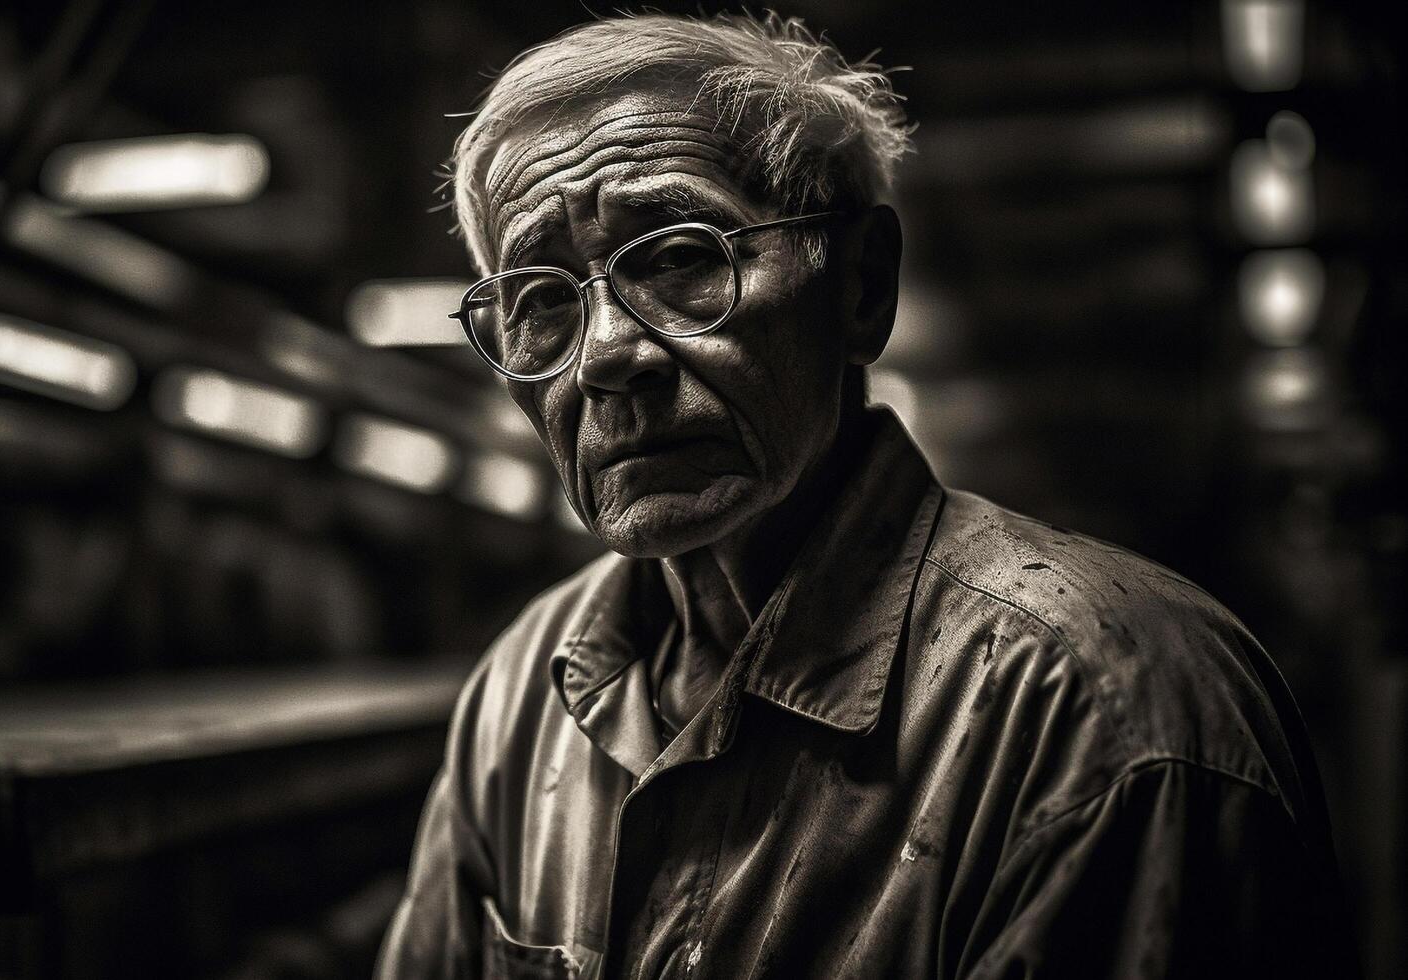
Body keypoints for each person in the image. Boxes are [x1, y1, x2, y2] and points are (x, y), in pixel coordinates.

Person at [378, 11, 1349, 978]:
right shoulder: (519, 697)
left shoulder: (1101, 709)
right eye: (541, 300)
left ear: (859, 286)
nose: (604, 356)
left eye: (679, 259)